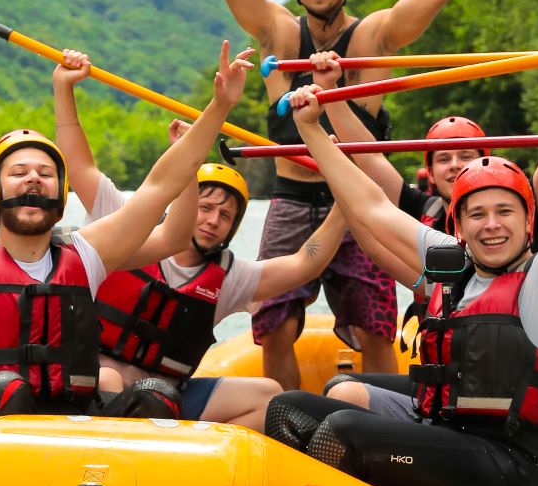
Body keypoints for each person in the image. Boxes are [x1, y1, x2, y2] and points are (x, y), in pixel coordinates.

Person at [263, 41, 538, 486]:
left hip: (510, 469)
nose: (491, 225)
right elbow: (370, 205)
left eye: (504, 212)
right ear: (459, 222)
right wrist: (311, 131)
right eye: (476, 214)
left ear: (528, 218)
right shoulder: (452, 265)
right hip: (445, 432)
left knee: (343, 430)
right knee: (288, 410)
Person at [0, 36, 254, 433]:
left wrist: (218, 107)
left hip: (69, 441)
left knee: (157, 395)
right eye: (19, 174)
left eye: (45, 174)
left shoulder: (86, 255)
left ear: (61, 193)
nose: (34, 181)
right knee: (8, 389)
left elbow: (159, 187)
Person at [204, 0, 455, 388]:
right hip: (293, 199)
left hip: (360, 203)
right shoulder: (276, 32)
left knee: (375, 331)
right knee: (275, 326)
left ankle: (387, 419)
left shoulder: (374, 39)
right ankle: (288, 419)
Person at [52, 52, 348, 431]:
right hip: (93, 384)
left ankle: (200, 467)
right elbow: (79, 167)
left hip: (169, 397)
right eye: (206, 207)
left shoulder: (228, 278)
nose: (212, 220)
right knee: (110, 381)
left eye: (225, 216)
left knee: (269, 395)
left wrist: (343, 197)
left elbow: (305, 263)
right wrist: (64, 89)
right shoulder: (127, 223)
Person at [305, 49, 538, 322]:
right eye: (444, 158)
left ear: (485, 162)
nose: (454, 165)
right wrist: (329, 89)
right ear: (431, 174)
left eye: (465, 156)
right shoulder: (423, 209)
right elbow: (371, 157)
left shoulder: (521, 205)